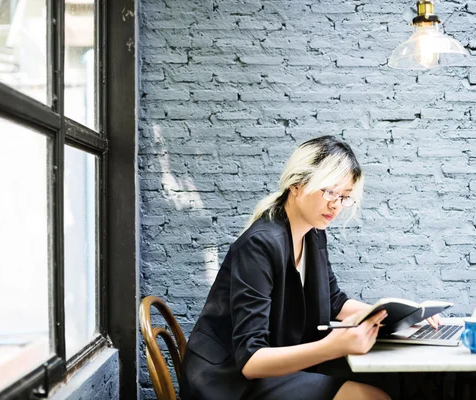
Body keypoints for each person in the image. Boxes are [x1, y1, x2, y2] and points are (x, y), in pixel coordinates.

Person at [179, 136, 440, 400]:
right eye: (329, 192)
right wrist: (331, 347)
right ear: (296, 184)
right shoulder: (261, 244)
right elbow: (251, 360)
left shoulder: (313, 234)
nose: (336, 205)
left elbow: (334, 301)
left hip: (270, 373)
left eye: (345, 196)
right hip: (227, 382)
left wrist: (399, 314)